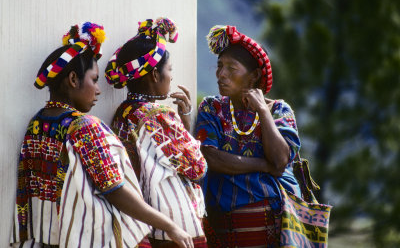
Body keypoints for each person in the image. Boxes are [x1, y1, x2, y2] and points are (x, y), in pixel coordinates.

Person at [10, 22, 194, 248]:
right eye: (94, 80)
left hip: (45, 239)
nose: (98, 90)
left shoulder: (37, 123)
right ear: (73, 80)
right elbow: (114, 189)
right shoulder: (84, 127)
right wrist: (169, 225)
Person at [194, 25, 302, 247]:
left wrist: (263, 111)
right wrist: (264, 165)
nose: (221, 74)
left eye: (231, 68)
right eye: (220, 66)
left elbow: (281, 161)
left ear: (254, 76)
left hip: (274, 230)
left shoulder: (278, 111)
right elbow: (210, 157)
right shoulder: (211, 108)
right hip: (225, 228)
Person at [105, 18, 208, 247]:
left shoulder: (124, 113)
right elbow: (197, 167)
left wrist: (182, 121)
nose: (171, 76)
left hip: (143, 223)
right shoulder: (158, 116)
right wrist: (184, 120)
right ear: (154, 75)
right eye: (169, 69)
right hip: (172, 229)